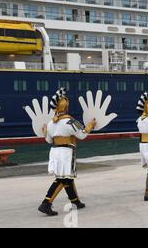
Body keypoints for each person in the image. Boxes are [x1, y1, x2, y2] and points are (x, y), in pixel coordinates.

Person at [38, 88, 96, 216]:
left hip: (55, 151)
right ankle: (46, 203)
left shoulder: (50, 123)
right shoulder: (71, 121)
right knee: (63, 178)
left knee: (67, 178)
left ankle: (75, 201)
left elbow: (48, 140)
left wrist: (44, 132)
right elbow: (82, 135)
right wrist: (90, 125)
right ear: (66, 106)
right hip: (66, 152)